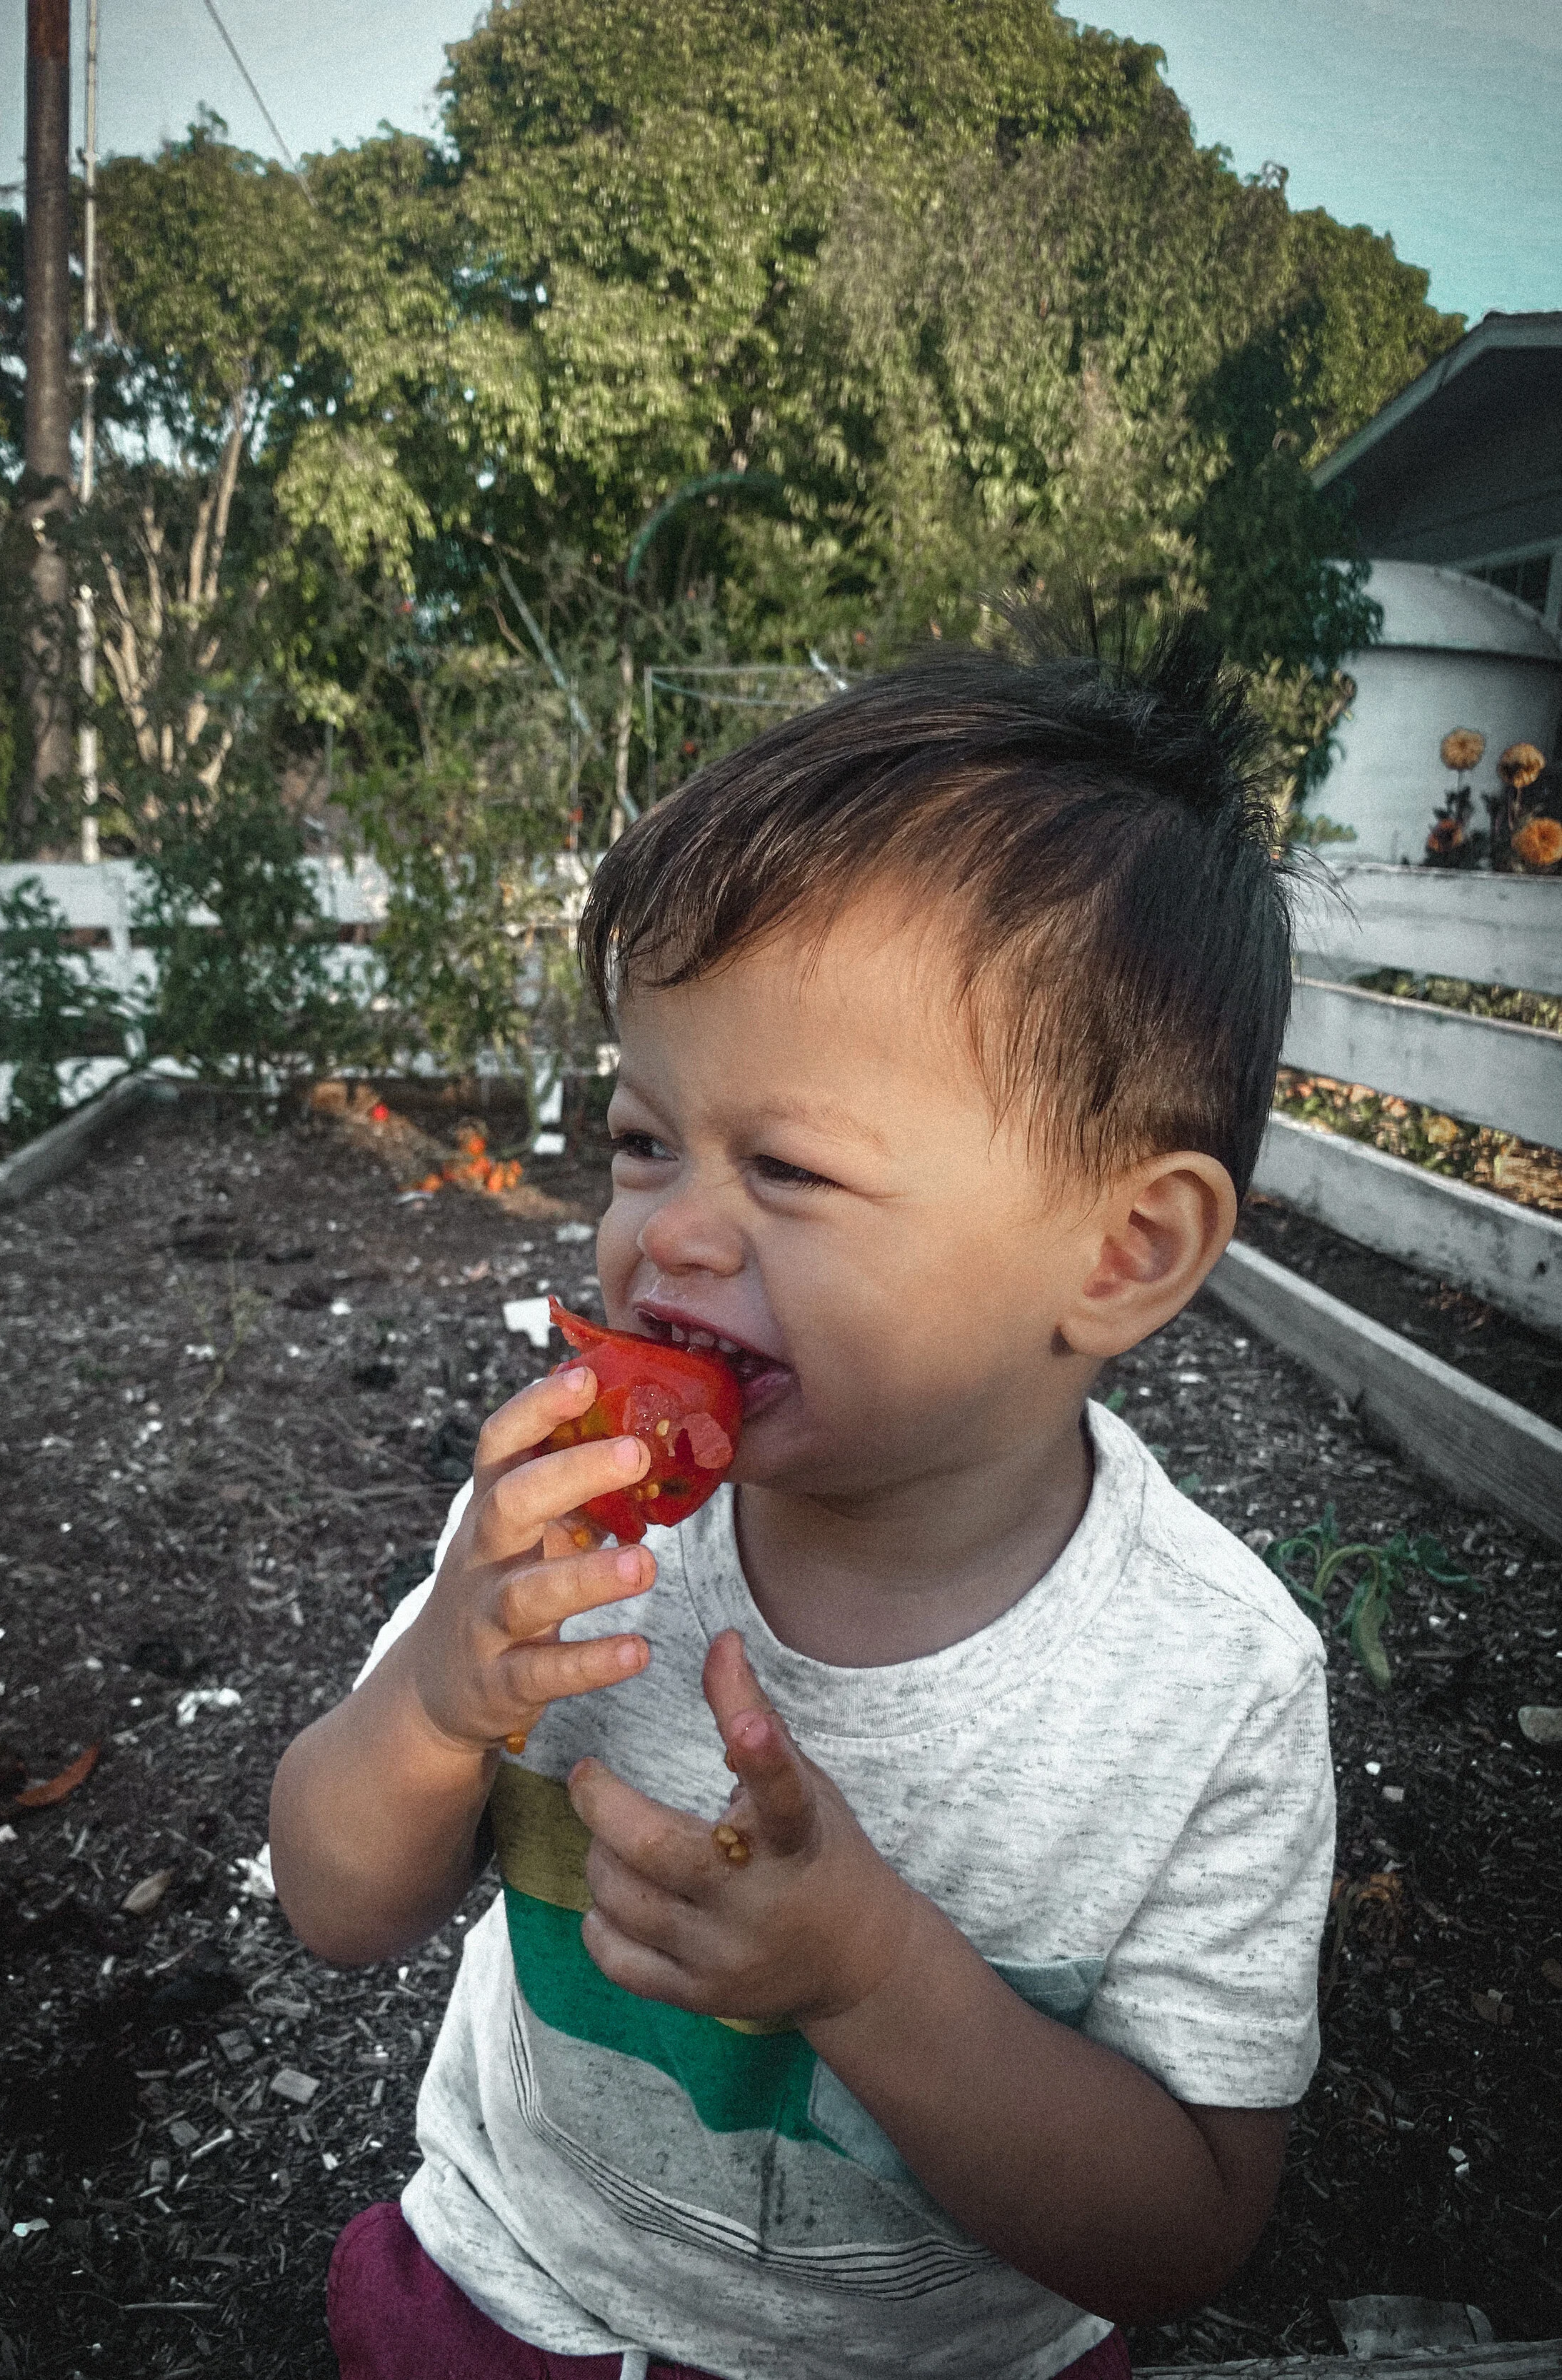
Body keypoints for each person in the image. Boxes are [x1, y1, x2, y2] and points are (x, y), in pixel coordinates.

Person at [270, 627, 1336, 2380]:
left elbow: (1183, 2230)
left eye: (786, 1167)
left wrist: (871, 1979)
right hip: (523, 2292)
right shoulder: (574, 1534)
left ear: (1120, 1250)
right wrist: (436, 1700)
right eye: (640, 1139)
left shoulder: (1206, 1687)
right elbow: (332, 1902)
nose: (665, 1232)